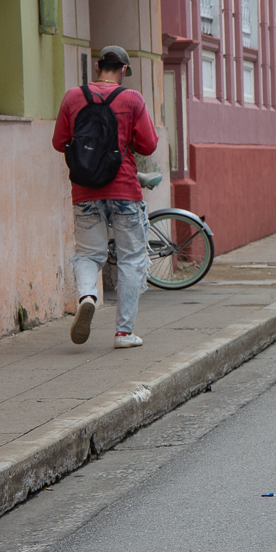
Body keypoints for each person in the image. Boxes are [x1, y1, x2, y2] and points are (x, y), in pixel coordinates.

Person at [51, 46, 159, 349]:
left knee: (88, 254)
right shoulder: (132, 99)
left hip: (85, 190)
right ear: (123, 70)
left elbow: (59, 142)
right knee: (131, 259)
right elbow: (148, 145)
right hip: (124, 189)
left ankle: (87, 296)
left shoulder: (73, 97)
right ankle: (124, 333)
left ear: (97, 67)